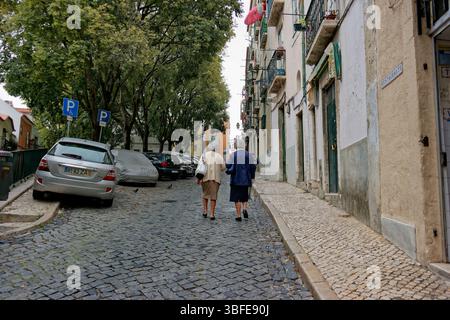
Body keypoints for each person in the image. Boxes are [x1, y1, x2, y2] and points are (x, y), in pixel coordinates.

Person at [226, 138, 257, 221]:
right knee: (244, 196)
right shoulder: (248, 155)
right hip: (246, 180)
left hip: (236, 180)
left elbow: (228, 165)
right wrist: (252, 177)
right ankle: (244, 209)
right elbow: (253, 167)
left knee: (237, 198)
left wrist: (228, 169)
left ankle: (238, 215)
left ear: (237, 145)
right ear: (244, 145)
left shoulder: (233, 155)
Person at [197, 141, 225, 220]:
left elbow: (199, 168)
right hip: (215, 180)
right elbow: (223, 167)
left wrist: (198, 179)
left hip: (205, 179)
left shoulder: (203, 156)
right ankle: (212, 214)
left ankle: (205, 211)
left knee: (205, 195)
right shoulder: (218, 156)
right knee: (213, 196)